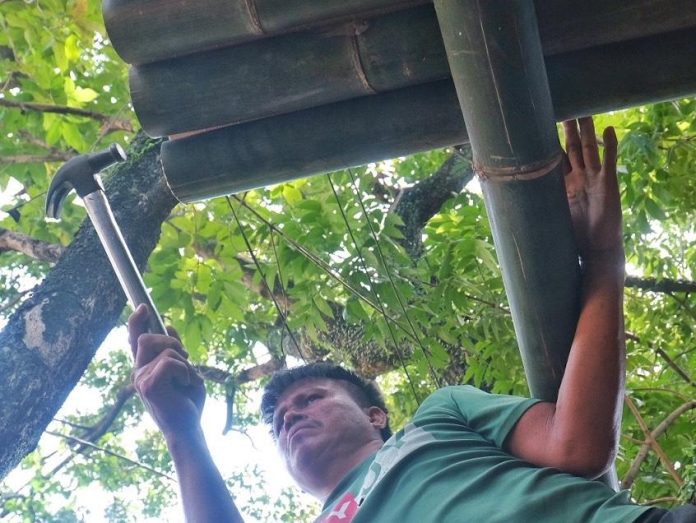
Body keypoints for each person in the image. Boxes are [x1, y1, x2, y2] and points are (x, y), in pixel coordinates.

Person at [128, 118, 695, 522]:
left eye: (310, 398)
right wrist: (181, 431)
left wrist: (602, 257)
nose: (289, 418)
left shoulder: (437, 416)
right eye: (277, 421)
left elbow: (578, 446)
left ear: (376, 415)